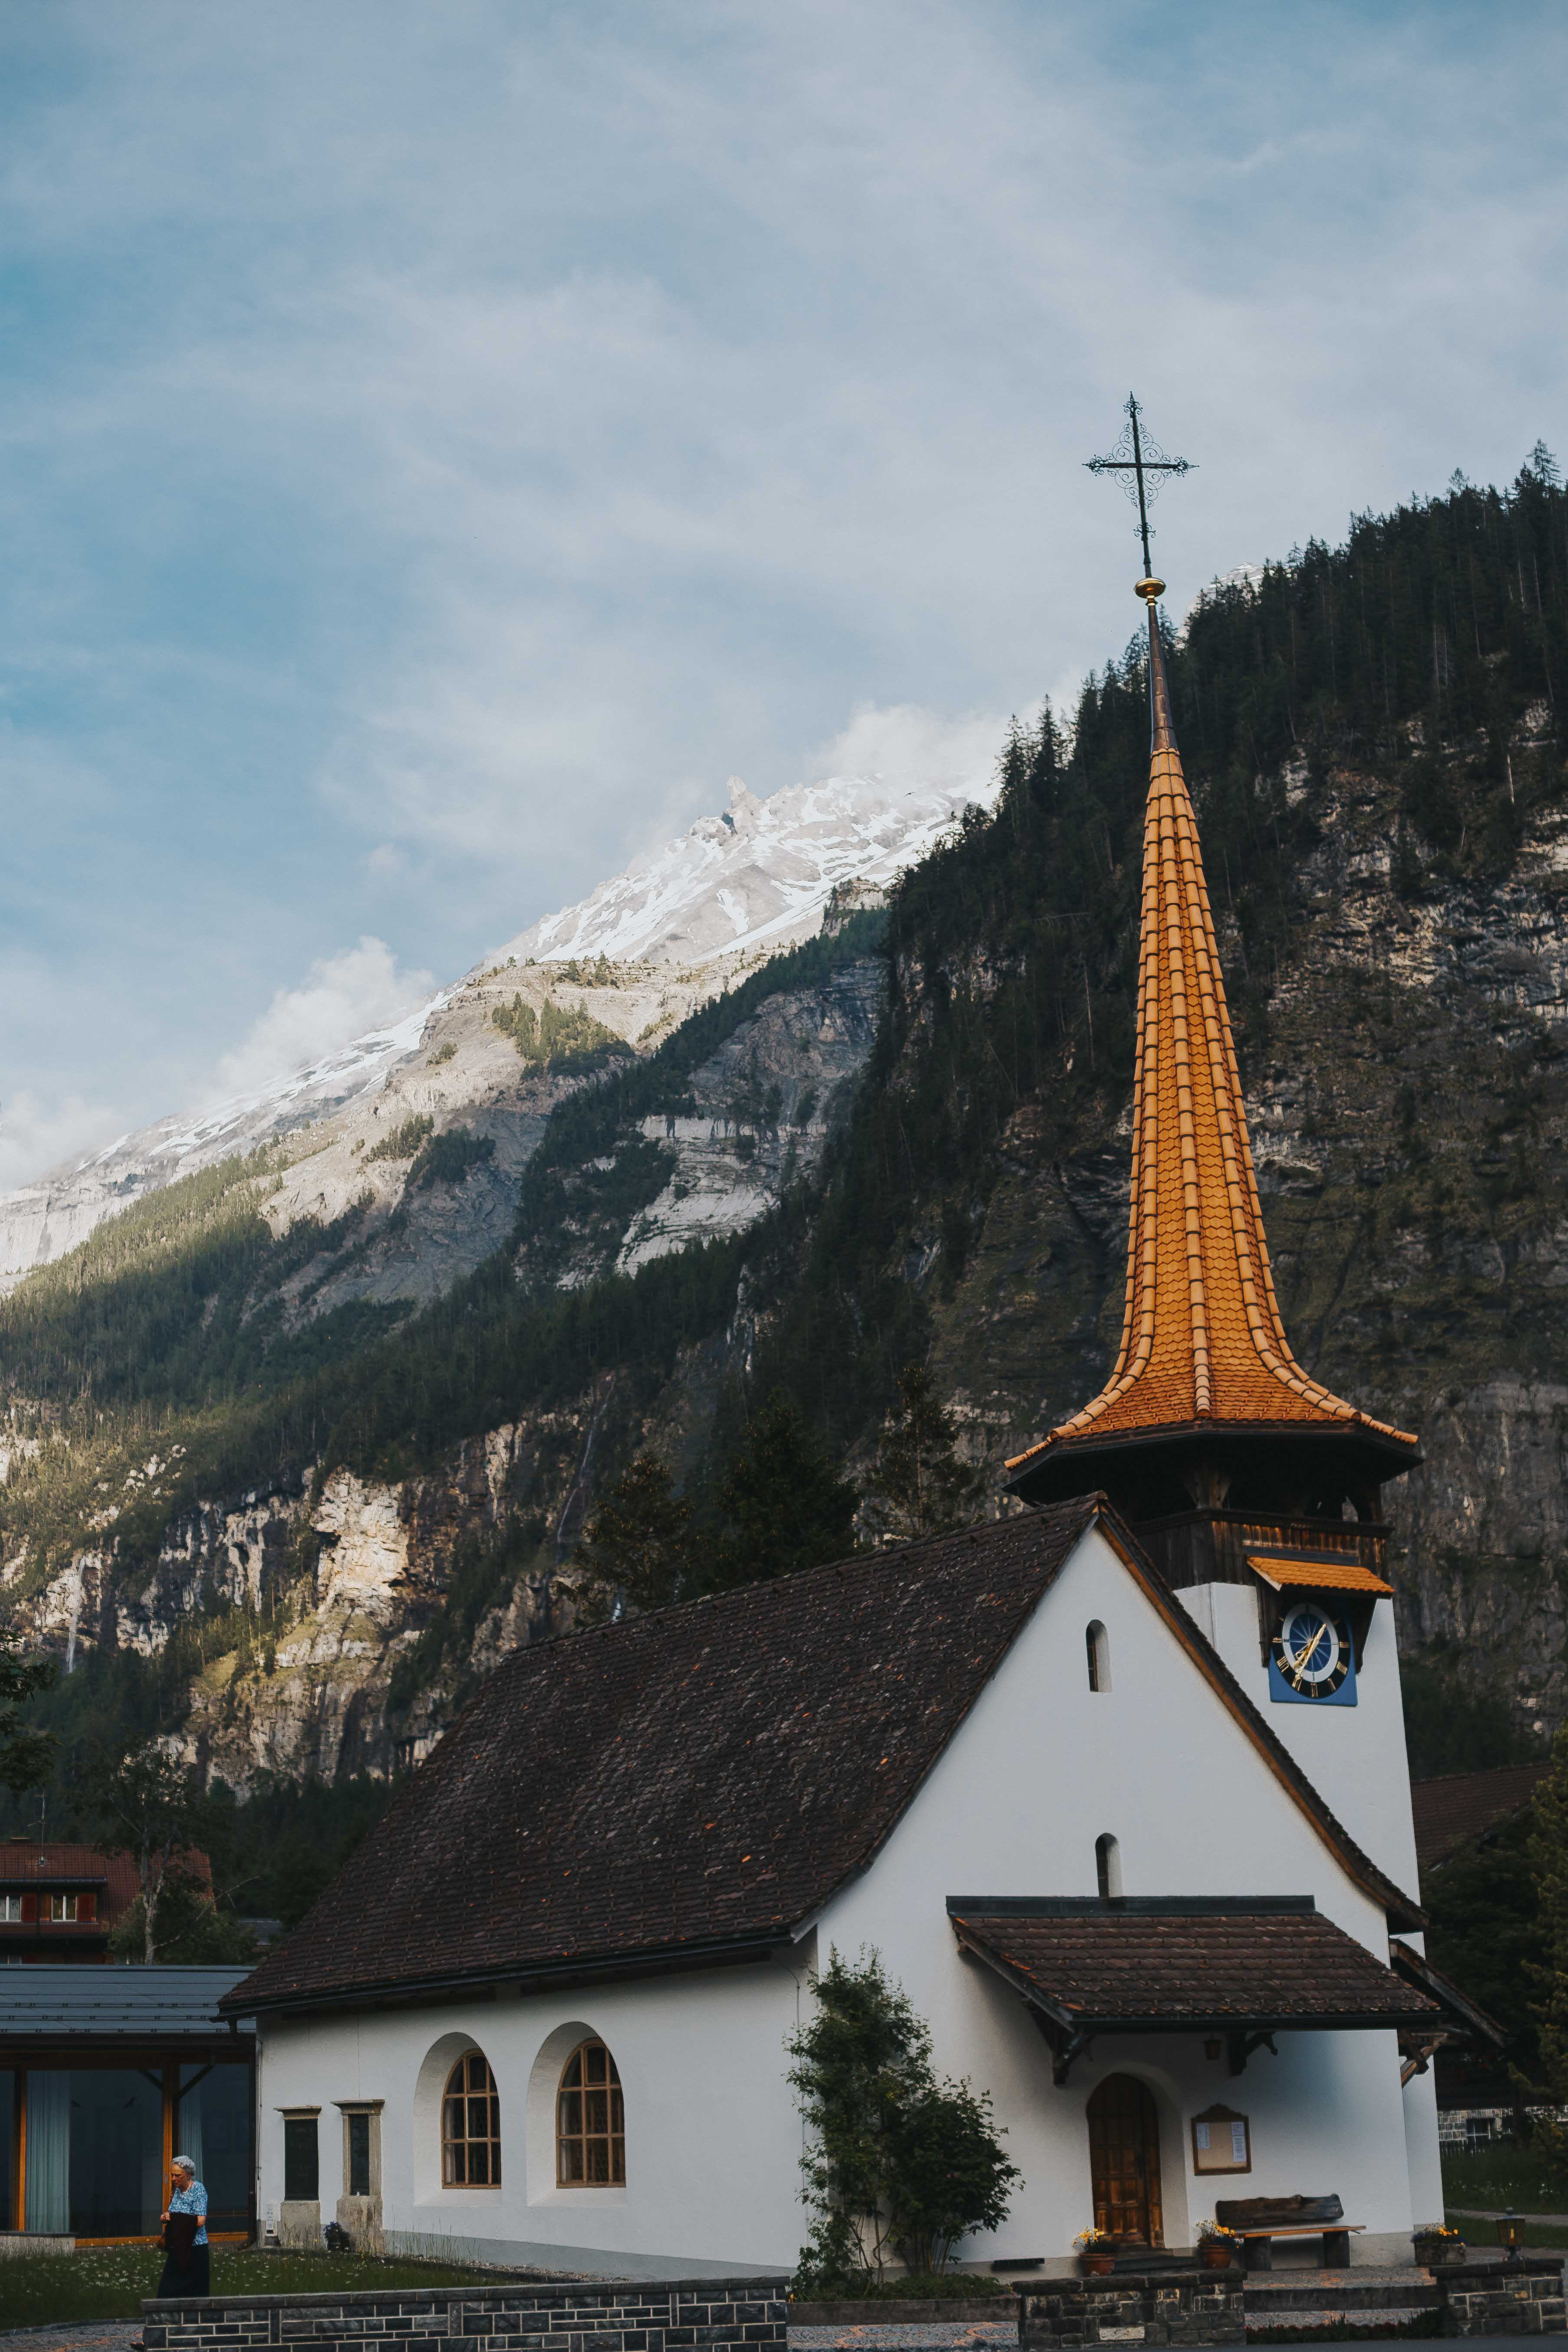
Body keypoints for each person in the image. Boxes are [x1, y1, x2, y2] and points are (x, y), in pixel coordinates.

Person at [157, 2155, 211, 2300]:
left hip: (196, 2249)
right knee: (166, 2291)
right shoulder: (178, 2192)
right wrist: (167, 2216)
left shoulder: (198, 2190)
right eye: (173, 2175)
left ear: (189, 2175)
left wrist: (174, 2218)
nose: (174, 2179)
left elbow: (201, 2221)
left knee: (197, 2294)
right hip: (179, 2248)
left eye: (178, 2176)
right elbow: (176, 2213)